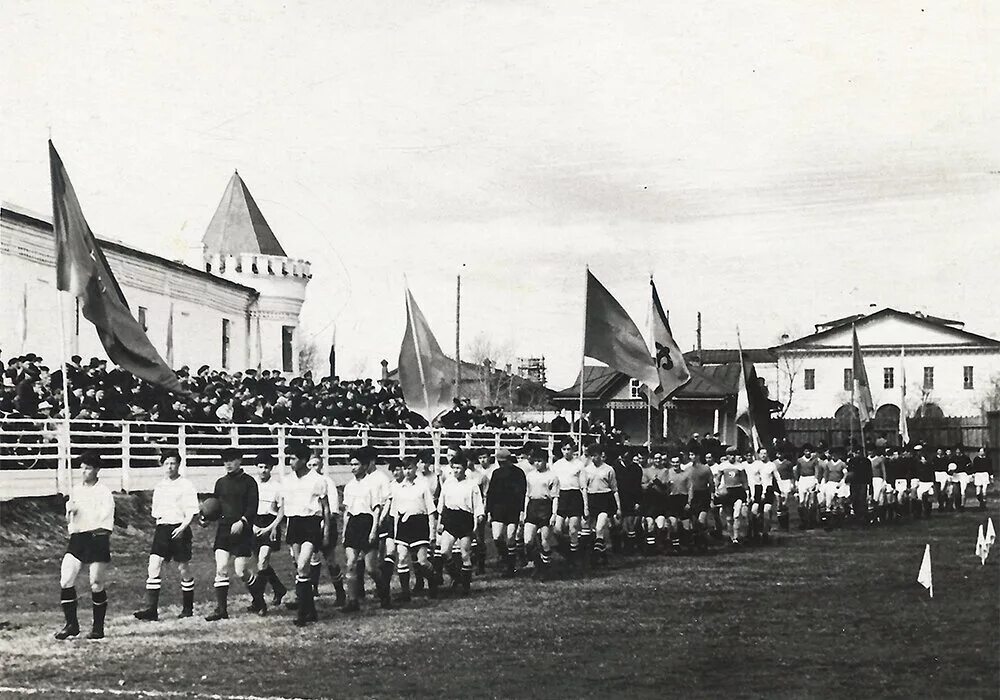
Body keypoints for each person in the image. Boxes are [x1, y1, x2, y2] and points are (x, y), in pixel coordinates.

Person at [133, 450, 199, 622]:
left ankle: (187, 608)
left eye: (173, 463)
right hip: (163, 529)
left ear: (178, 464)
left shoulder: (186, 485)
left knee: (183, 568)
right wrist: (160, 529)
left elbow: (192, 511)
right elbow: (157, 513)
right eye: (167, 463)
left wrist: (183, 527)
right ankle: (151, 610)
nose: (170, 467)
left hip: (180, 528)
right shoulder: (160, 486)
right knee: (154, 565)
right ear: (162, 465)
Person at [56, 450, 114, 640]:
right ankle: (71, 624)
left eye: (88, 468)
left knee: (96, 583)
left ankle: (98, 628)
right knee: (66, 579)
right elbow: (71, 519)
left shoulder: (104, 492)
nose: (84, 472)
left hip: (97, 537)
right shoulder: (75, 490)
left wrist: (93, 527)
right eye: (82, 468)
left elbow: (105, 521)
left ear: (97, 470)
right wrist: (69, 511)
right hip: (78, 538)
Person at [204, 448, 267, 621]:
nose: (228, 464)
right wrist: (206, 518)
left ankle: (259, 601)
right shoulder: (220, 483)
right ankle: (221, 610)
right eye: (225, 461)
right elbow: (215, 506)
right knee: (221, 568)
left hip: (242, 531)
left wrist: (243, 521)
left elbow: (252, 507)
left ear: (240, 460)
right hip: (224, 530)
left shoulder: (249, 482)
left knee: (242, 570)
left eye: (231, 460)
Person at [280, 443, 331, 627]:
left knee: (303, 565)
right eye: (289, 458)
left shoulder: (317, 480)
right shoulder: (287, 480)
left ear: (303, 460)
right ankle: (311, 611)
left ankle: (302, 613)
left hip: (311, 524)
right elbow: (285, 508)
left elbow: (326, 508)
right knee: (300, 568)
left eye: (293, 458)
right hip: (294, 524)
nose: (290, 462)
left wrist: (326, 531)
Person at [342, 446, 390, 612]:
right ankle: (352, 601)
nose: (353, 467)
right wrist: (344, 531)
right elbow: (347, 512)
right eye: (351, 464)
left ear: (364, 466)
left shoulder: (372, 484)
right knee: (351, 564)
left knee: (371, 568)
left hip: (367, 522)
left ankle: (384, 593)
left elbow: (376, 509)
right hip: (353, 524)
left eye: (356, 464)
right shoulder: (348, 486)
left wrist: (373, 530)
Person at [435, 455, 484, 595]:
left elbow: (477, 505)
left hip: (465, 519)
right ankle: (457, 577)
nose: (455, 470)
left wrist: (477, 521)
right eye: (454, 468)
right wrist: (440, 522)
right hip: (450, 518)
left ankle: (465, 586)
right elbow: (441, 505)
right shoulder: (448, 483)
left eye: (458, 468)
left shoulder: (472, 484)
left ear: (464, 468)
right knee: (444, 551)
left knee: (465, 555)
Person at [391, 456, 438, 601]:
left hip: (419, 523)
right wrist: (395, 534)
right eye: (405, 468)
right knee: (403, 557)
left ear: (415, 468)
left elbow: (430, 510)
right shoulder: (398, 488)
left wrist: (432, 532)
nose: (407, 471)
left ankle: (433, 582)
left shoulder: (423, 486)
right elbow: (395, 513)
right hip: (403, 525)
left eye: (410, 468)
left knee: (422, 561)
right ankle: (406, 593)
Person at [308, 452, 345, 606]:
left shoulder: (327, 481)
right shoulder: (306, 481)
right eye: (309, 465)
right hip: (311, 524)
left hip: (326, 524)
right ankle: (312, 589)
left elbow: (332, 509)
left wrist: (325, 527)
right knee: (311, 558)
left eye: (315, 465)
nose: (312, 468)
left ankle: (340, 592)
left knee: (330, 559)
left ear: (322, 465)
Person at [252, 452, 287, 607]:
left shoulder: (277, 487)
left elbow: (281, 511)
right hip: (254, 523)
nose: (263, 470)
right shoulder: (252, 485)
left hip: (270, 523)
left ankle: (258, 601)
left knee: (263, 560)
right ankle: (279, 588)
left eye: (266, 467)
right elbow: (248, 507)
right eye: (260, 467)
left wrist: (271, 528)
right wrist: (252, 526)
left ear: (271, 468)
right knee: (260, 564)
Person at [486, 448, 527, 577]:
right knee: (497, 536)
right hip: (498, 509)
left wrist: (522, 511)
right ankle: (505, 558)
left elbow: (522, 494)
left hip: (513, 509)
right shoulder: (496, 473)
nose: (501, 464)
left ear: (509, 460)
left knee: (510, 537)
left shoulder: (519, 473)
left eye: (504, 462)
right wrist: (488, 511)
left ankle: (511, 567)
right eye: (499, 462)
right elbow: (490, 494)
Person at [522, 448, 559, 579]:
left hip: (545, 507)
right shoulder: (530, 476)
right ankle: (538, 564)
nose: (537, 463)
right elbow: (527, 494)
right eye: (535, 461)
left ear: (545, 461)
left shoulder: (552, 476)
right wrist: (524, 511)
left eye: (540, 461)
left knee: (544, 541)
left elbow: (555, 497)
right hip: (532, 507)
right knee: (528, 541)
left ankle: (546, 569)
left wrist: (554, 514)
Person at [551, 439, 588, 567]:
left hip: (575, 496)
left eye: (569, 449)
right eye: (564, 449)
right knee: (557, 530)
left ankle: (574, 558)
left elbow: (583, 487)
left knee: (573, 530)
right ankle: (566, 551)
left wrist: (586, 507)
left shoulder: (579, 465)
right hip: (562, 496)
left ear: (573, 450)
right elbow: (553, 485)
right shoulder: (556, 465)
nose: (566, 452)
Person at [584, 444, 621, 565]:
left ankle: (594, 557)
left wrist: (618, 508)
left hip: (605, 499)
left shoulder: (609, 469)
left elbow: (614, 489)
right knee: (594, 530)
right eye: (591, 456)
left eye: (596, 455)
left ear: (601, 455)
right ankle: (603, 554)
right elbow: (584, 488)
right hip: (592, 498)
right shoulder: (587, 470)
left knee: (600, 528)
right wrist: (585, 505)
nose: (593, 458)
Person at [716, 448, 748, 547]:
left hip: (738, 491)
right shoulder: (723, 466)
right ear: (727, 456)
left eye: (734, 454)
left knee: (737, 515)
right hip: (727, 492)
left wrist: (747, 492)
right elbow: (718, 478)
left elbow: (744, 480)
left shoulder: (740, 466)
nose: (732, 456)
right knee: (729, 518)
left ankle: (737, 537)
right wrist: (716, 489)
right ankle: (731, 537)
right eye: (730, 455)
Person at [614, 449, 644, 554]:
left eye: (629, 458)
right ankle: (616, 548)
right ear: (621, 457)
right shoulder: (615, 468)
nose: (627, 460)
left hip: (631, 499)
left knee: (630, 524)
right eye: (625, 458)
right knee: (618, 524)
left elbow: (638, 487)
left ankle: (629, 547)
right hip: (619, 499)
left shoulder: (636, 469)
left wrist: (637, 502)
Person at [685, 451, 715, 551]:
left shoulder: (705, 468)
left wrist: (712, 498)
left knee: (701, 521)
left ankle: (704, 543)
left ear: (697, 456)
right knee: (694, 522)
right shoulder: (687, 469)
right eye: (690, 455)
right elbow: (687, 485)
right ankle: (697, 543)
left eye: (693, 454)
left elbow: (711, 484)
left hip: (703, 495)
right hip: (693, 497)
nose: (691, 457)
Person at [664, 455, 690, 554]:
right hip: (672, 499)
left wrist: (688, 502)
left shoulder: (685, 474)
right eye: (673, 462)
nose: (675, 464)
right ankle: (675, 546)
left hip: (683, 499)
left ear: (680, 463)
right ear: (671, 463)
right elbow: (664, 487)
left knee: (686, 525)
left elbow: (690, 488)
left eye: (677, 462)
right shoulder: (667, 473)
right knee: (673, 523)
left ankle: (687, 545)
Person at [794, 446, 820, 529]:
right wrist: (797, 482)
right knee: (802, 501)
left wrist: (816, 481)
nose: (807, 453)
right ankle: (803, 521)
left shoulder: (814, 460)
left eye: (809, 451)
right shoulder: (800, 460)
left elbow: (816, 471)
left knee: (811, 501)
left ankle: (812, 520)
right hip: (802, 480)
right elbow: (797, 471)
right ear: (803, 452)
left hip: (811, 479)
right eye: (806, 451)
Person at [846, 448, 872, 523]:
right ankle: (856, 515)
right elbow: (849, 472)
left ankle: (862, 516)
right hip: (854, 483)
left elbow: (869, 473)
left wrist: (870, 484)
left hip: (863, 482)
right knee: (854, 498)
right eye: (856, 452)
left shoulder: (866, 461)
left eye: (859, 452)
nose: (857, 454)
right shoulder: (851, 461)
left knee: (862, 499)